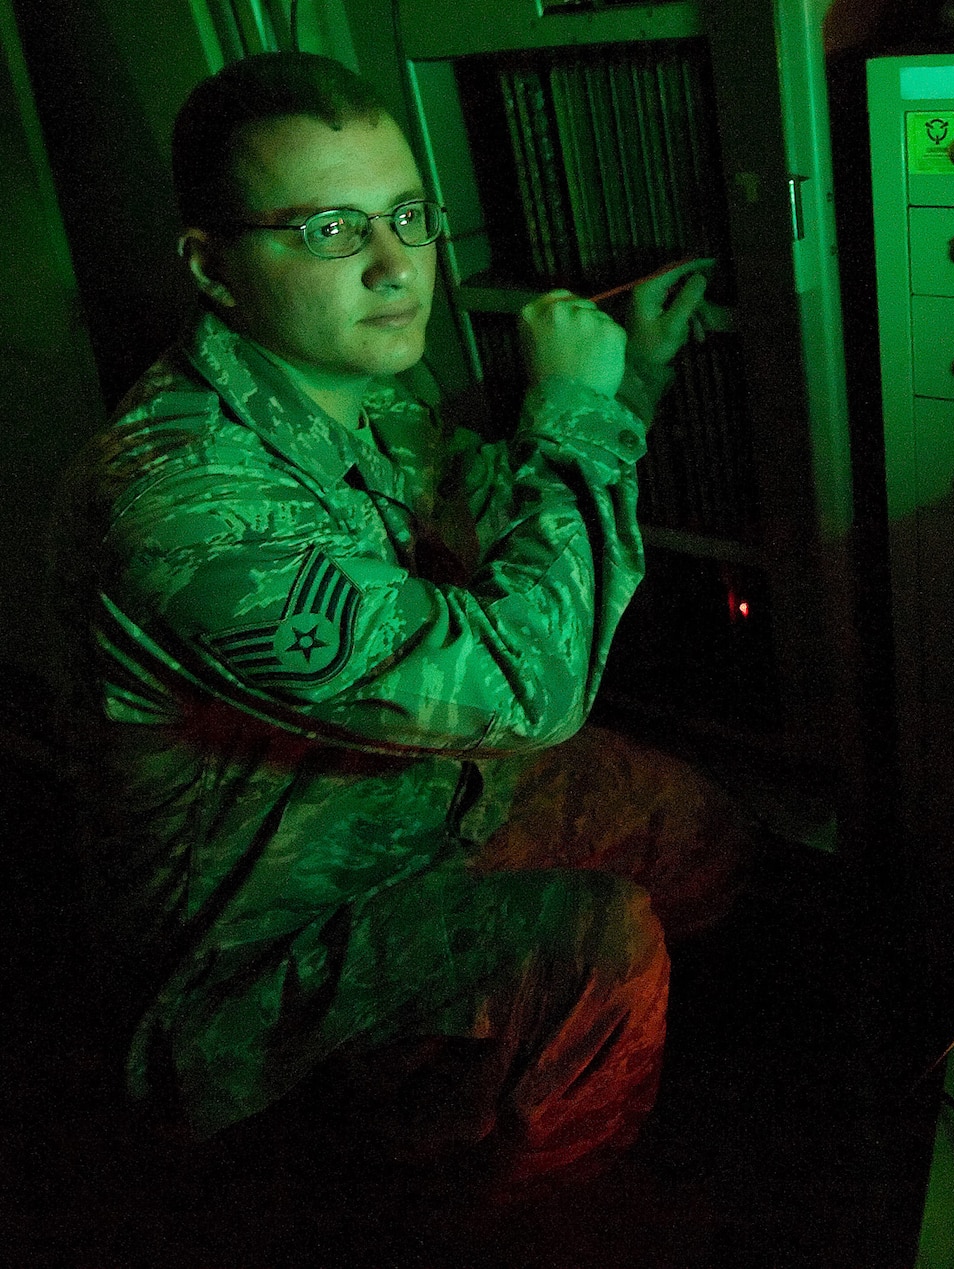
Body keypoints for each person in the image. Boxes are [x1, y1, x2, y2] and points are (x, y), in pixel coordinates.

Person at [56, 50, 742, 1196]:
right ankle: (512, 1199)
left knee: (700, 832)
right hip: (262, 943)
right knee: (599, 952)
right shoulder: (180, 502)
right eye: (329, 229)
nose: (394, 266)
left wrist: (623, 389)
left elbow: (488, 536)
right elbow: (527, 690)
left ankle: (586, 1086)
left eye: (407, 214)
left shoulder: (368, 387)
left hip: (413, 794)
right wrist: (571, 408)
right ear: (212, 265)